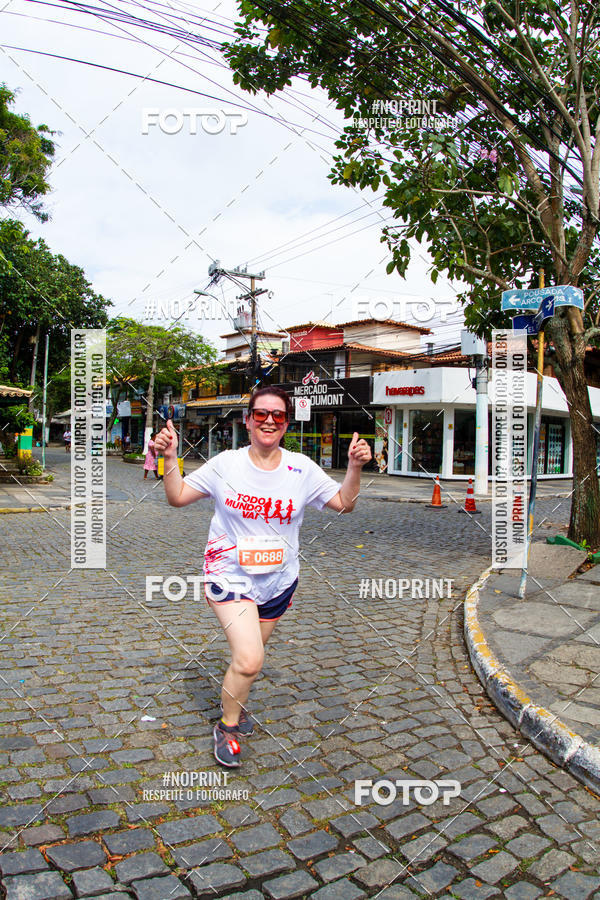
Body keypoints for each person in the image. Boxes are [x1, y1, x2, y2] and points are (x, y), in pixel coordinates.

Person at [154, 386, 372, 767]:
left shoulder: (301, 469)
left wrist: (354, 468)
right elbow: (178, 496)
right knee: (251, 659)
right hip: (229, 576)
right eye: (261, 414)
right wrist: (170, 458)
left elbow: (344, 504)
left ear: (286, 423)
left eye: (278, 415)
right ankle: (227, 727)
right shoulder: (226, 465)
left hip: (278, 583)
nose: (269, 421)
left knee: (248, 656)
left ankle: (235, 703)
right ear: (248, 420)